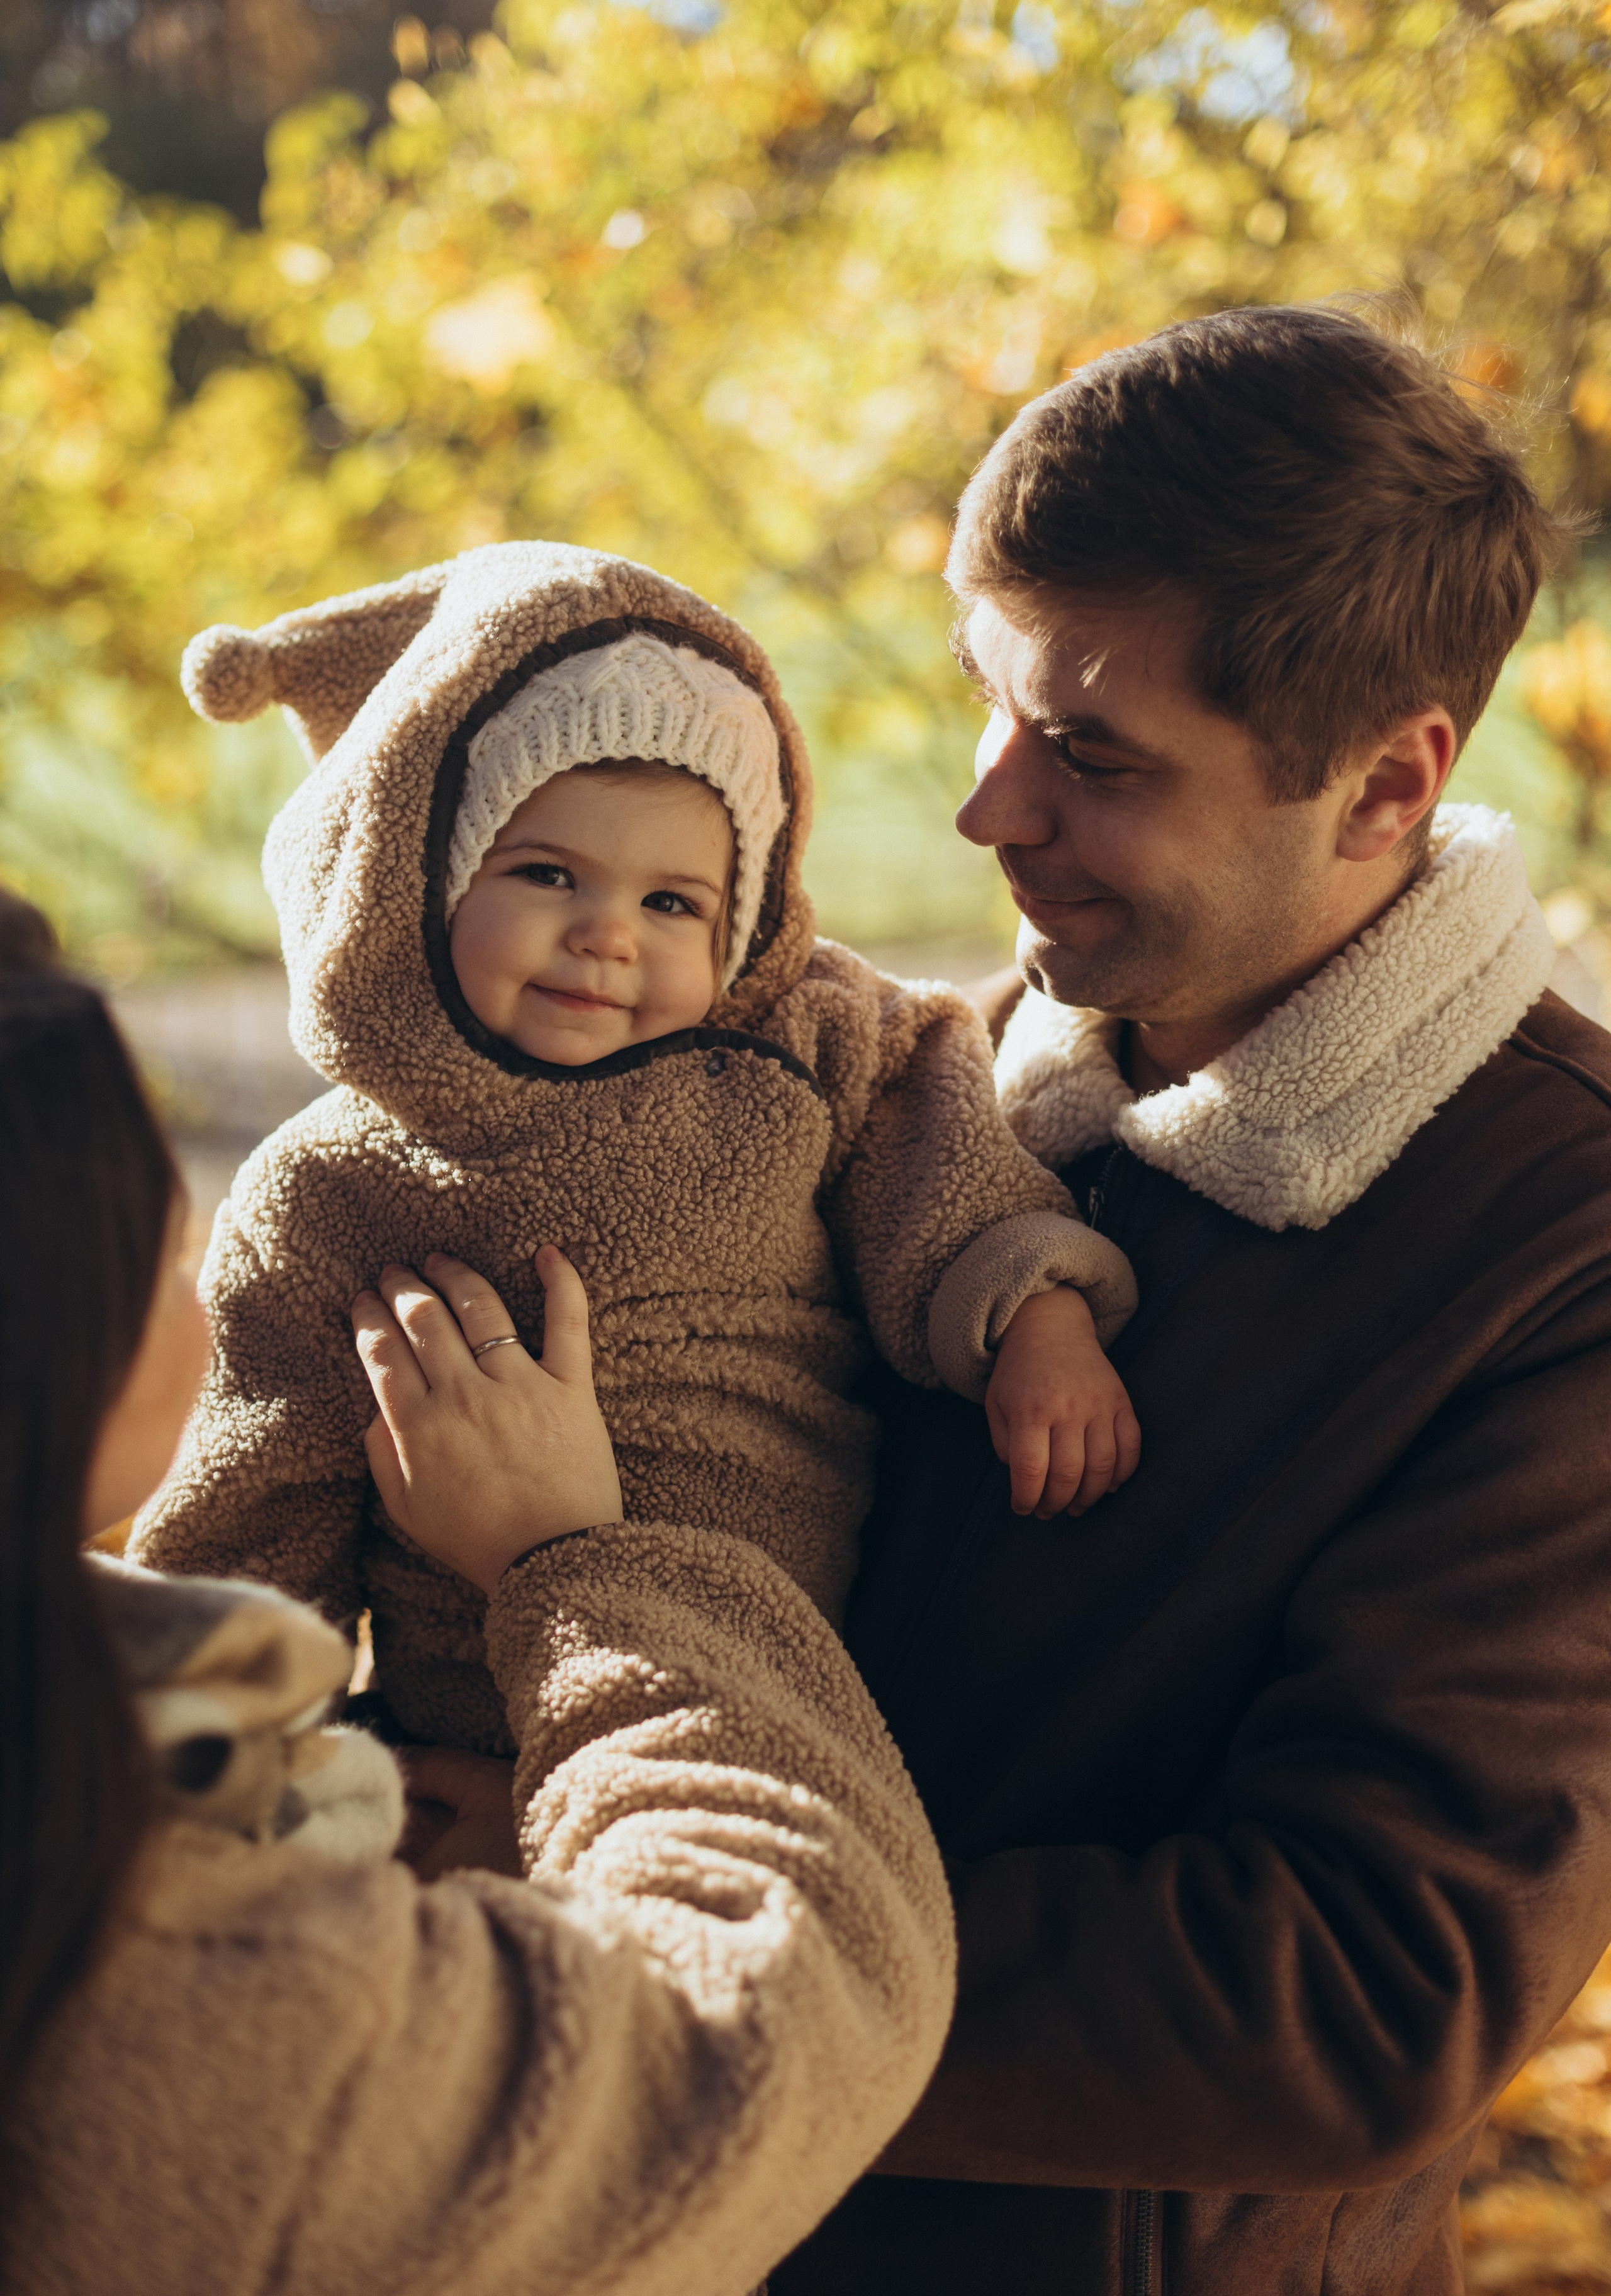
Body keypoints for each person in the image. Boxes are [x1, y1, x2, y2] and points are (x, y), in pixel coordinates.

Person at [761, 306, 1611, 2296]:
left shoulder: (1562, 1253)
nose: (988, 807)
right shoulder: (927, 1100)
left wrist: (658, 1946)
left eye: (1096, 756)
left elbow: (1356, 1995)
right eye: (988, 702)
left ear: (1389, 783)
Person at [0, 891, 957, 2296]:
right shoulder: (214, 2049)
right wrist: (568, 1565)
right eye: (173, 1239)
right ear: (70, 1344)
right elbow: (796, 1983)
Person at [130, 544, 1137, 1768]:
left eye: (671, 903)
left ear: (740, 924)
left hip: (793, 1682)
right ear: (420, 887)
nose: (606, 934)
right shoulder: (332, 1190)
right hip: (479, 1723)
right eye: (547, 874)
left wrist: (1038, 1318)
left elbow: (947, 1181)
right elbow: (258, 1497)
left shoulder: (808, 1050)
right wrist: (216, 1742)